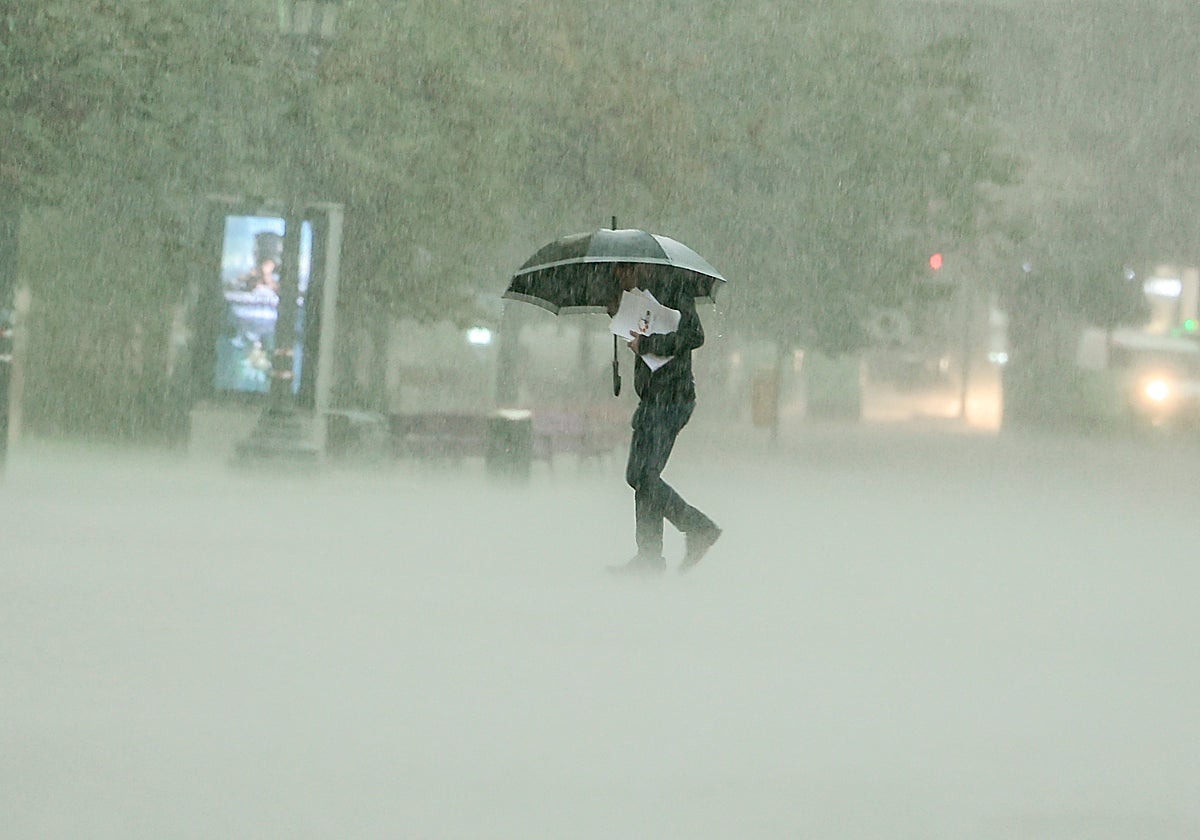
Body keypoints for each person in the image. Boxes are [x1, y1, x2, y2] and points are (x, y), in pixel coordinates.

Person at [607, 263, 721, 575]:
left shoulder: (674, 291)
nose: (620, 279)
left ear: (638, 267)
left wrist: (647, 344)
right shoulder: (637, 297)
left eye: (623, 272)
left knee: (645, 476)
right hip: (652, 399)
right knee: (638, 476)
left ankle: (692, 530)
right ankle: (654, 554)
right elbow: (639, 335)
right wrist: (619, 316)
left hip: (672, 398)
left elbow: (694, 336)